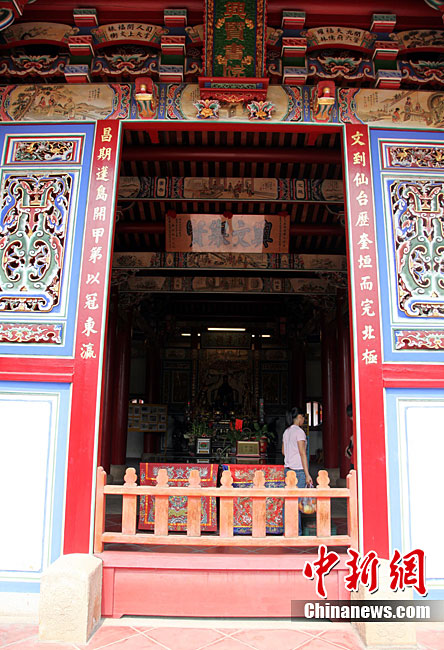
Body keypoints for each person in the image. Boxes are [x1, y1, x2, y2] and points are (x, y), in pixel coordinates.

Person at [282, 406, 313, 535]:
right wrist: (307, 474)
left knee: (288, 501)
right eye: (303, 418)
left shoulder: (286, 431)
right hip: (298, 471)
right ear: (299, 417)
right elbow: (302, 453)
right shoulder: (299, 432)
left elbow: (283, 451)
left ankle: (287, 531)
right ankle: (296, 532)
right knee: (297, 502)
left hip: (287, 470)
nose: (303, 420)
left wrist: (291, 456)